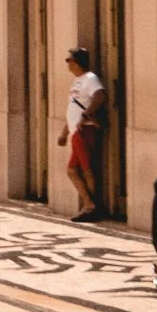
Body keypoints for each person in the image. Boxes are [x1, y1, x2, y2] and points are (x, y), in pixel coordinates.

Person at [58, 47, 109, 222]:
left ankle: (92, 206)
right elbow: (73, 107)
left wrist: (87, 115)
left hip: (84, 130)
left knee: (86, 169)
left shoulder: (90, 78)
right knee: (72, 170)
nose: (68, 64)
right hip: (75, 132)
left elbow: (100, 95)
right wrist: (65, 132)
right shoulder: (77, 81)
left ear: (77, 62)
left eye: (70, 60)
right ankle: (89, 203)